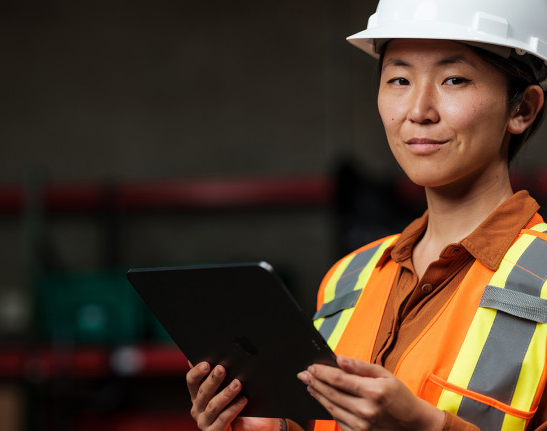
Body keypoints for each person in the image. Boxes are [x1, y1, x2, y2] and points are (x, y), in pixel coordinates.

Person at [185, 0, 547, 430]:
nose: (418, 110)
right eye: (398, 79)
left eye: (454, 79)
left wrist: (425, 427)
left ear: (522, 108)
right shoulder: (348, 279)